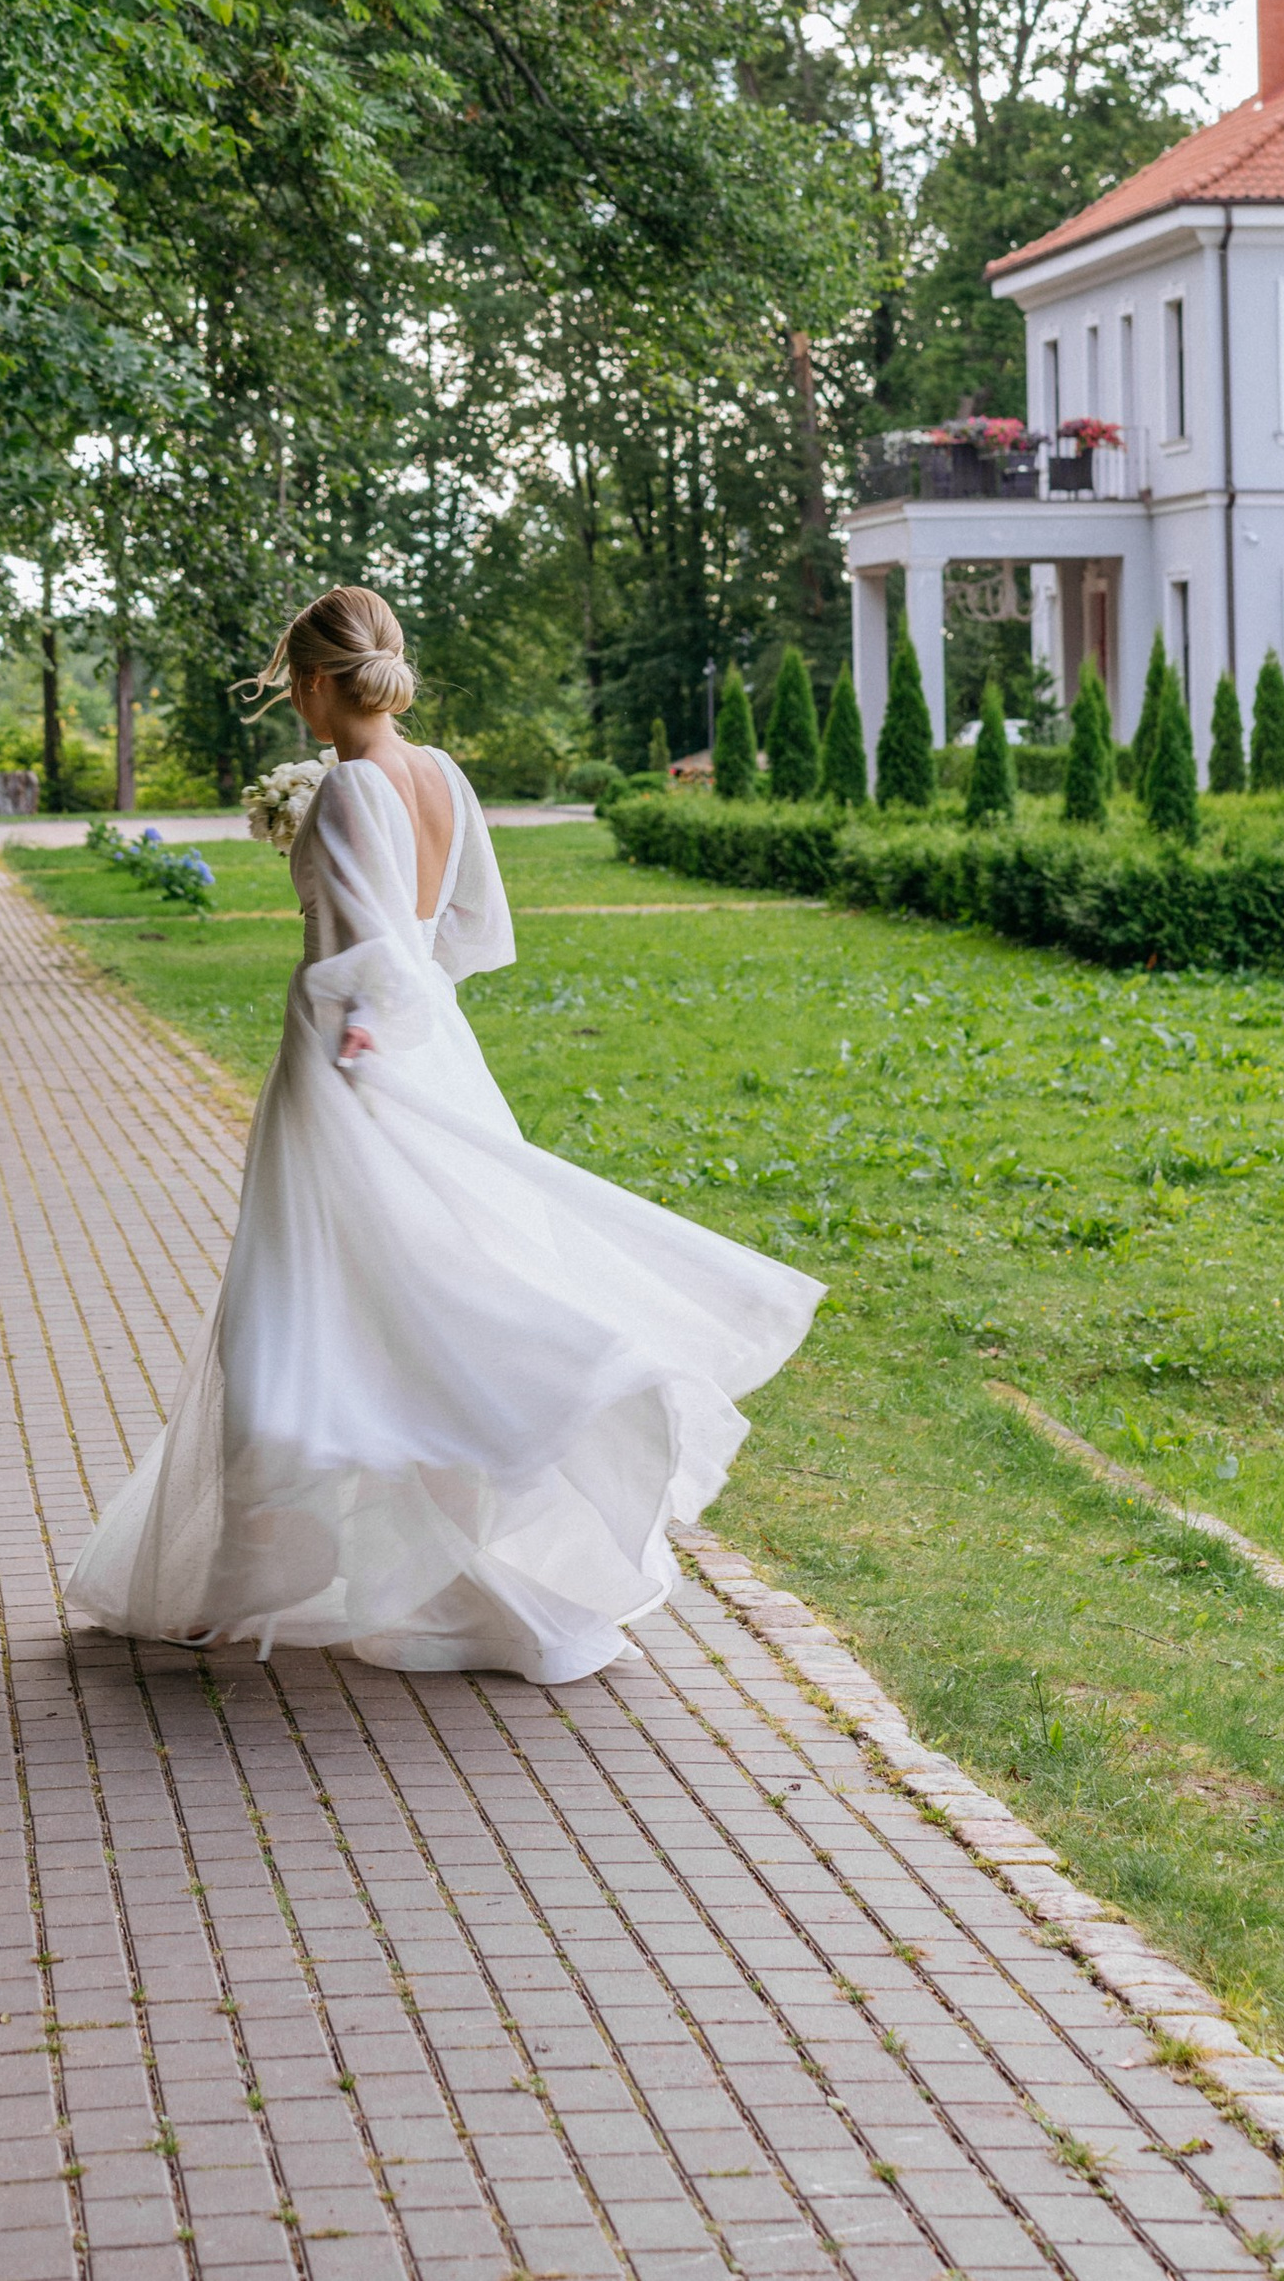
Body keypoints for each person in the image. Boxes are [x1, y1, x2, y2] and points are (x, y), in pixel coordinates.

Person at [64, 585, 821, 1681]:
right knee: (423, 1279)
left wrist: (367, 1039)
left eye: (294, 687)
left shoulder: (347, 790)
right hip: (433, 1052)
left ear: (322, 681)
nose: (295, 709)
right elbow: (459, 932)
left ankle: (245, 1577)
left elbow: (369, 949)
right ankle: (384, 1550)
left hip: (349, 1065)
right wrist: (411, 1024)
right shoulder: (440, 775)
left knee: (303, 1308)